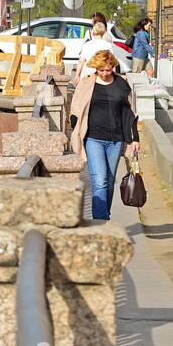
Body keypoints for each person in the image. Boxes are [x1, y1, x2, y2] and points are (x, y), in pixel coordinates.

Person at [69, 49, 139, 220]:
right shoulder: (87, 84)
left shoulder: (121, 84)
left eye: (108, 69)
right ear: (96, 69)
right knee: (99, 181)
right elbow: (75, 108)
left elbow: (130, 113)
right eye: (101, 70)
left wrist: (135, 138)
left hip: (116, 139)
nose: (106, 73)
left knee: (109, 182)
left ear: (113, 67)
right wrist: (76, 130)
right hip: (93, 138)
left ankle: (105, 215)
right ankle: (100, 223)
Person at [73, 17, 121, 84]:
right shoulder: (108, 45)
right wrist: (113, 75)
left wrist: (77, 75)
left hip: (88, 73)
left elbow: (81, 61)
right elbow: (111, 62)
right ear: (103, 32)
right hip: (102, 74)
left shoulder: (87, 44)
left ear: (93, 31)